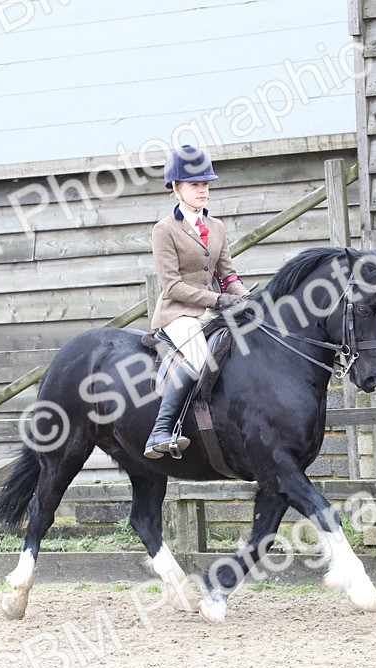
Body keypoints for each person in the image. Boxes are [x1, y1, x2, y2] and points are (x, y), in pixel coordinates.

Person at [144, 145, 248, 459]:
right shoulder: (164, 230)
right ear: (176, 189)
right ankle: (161, 430)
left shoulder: (216, 227)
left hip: (212, 309)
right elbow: (172, 286)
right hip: (179, 314)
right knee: (199, 356)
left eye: (205, 185)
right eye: (194, 185)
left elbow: (229, 275)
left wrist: (248, 298)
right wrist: (219, 299)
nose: (202, 191)